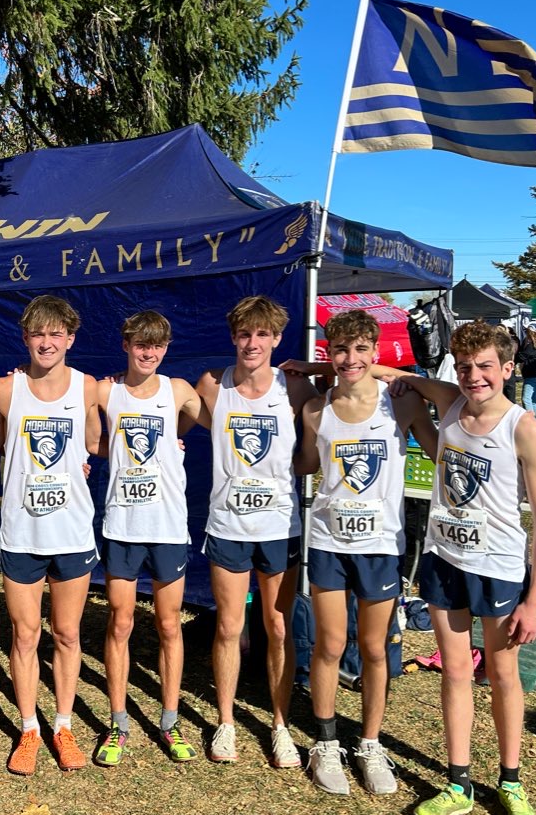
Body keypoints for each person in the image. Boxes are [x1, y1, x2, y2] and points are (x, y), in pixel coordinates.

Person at [384, 321, 536, 815]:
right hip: (443, 559)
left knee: (502, 672)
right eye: (463, 367)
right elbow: (382, 370)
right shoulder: (448, 400)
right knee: (456, 671)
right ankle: (459, 784)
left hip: (497, 565)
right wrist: (313, 367)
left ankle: (510, 779)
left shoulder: (523, 427)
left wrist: (535, 600)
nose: (473, 376)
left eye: (484, 367)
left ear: (506, 369)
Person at [289, 310, 437, 796]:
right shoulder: (316, 409)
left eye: (360, 350)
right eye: (339, 351)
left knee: (375, 649)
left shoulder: (403, 403)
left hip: (380, 545)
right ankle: (327, 742)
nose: (350, 359)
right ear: (328, 355)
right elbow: (307, 463)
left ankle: (370, 744)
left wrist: (398, 376)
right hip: (330, 542)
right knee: (330, 645)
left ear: (375, 352)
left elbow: (443, 444)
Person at [194, 296, 317, 767]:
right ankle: (225, 723)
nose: (252, 343)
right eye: (245, 334)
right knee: (229, 625)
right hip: (228, 524)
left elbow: (351, 382)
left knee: (278, 627)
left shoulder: (296, 389)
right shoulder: (212, 384)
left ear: (276, 339)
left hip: (279, 525)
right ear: (233, 337)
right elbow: (163, 403)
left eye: (262, 335)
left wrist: (306, 366)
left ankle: (280, 725)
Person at [0, 295, 101, 775]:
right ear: (25, 337)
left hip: (72, 531)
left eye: (57, 334)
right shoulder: (4, 390)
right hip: (21, 533)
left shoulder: (88, 387)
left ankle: (65, 724)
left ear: (70, 339)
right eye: (39, 333)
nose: (48, 342)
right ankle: (29, 728)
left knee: (69, 633)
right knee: (25, 633)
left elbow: (96, 441)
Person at [93, 310, 204, 767]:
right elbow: (57, 396)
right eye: (141, 343)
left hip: (167, 529)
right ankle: (117, 722)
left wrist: (173, 439)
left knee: (168, 624)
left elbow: (217, 414)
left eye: (157, 345)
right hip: (123, 527)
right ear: (126, 344)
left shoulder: (177, 390)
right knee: (119, 623)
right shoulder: (104, 389)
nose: (149, 352)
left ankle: (169, 719)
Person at [515, 323, 536, 423]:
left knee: (526, 399)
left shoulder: (532, 346)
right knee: (534, 399)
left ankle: (530, 421)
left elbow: (521, 357)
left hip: (532, 374)